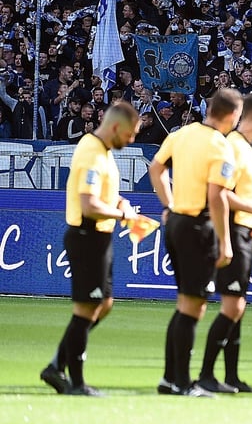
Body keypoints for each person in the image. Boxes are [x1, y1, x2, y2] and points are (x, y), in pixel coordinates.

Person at [39, 102, 140, 396]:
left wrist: (120, 202)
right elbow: (88, 203)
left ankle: (57, 365)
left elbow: (103, 194)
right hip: (87, 236)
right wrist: (123, 215)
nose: (132, 140)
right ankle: (76, 383)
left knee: (102, 304)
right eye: (131, 134)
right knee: (86, 309)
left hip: (100, 237)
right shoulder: (92, 152)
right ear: (116, 127)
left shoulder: (102, 152)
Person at [150, 89, 243, 397]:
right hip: (198, 227)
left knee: (185, 304)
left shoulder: (183, 133)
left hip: (176, 221)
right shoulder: (221, 146)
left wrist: (169, 203)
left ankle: (169, 378)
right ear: (231, 115)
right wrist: (225, 242)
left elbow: (156, 168)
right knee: (193, 306)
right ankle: (182, 382)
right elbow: (217, 196)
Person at [196, 91, 252, 394]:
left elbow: (240, 195)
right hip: (230, 231)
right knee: (233, 306)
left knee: (237, 306)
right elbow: (221, 193)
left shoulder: (245, 147)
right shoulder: (233, 146)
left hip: (244, 230)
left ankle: (230, 377)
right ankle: (205, 375)